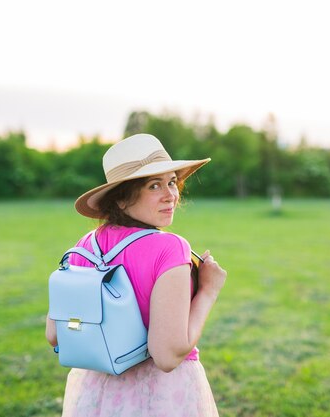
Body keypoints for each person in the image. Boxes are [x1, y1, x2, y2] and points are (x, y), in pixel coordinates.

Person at [45, 133, 227, 417]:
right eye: (154, 185)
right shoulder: (170, 248)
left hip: (98, 394)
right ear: (120, 199)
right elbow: (167, 356)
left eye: (171, 182)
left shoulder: (84, 247)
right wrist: (208, 291)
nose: (171, 195)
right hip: (160, 396)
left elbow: (54, 334)